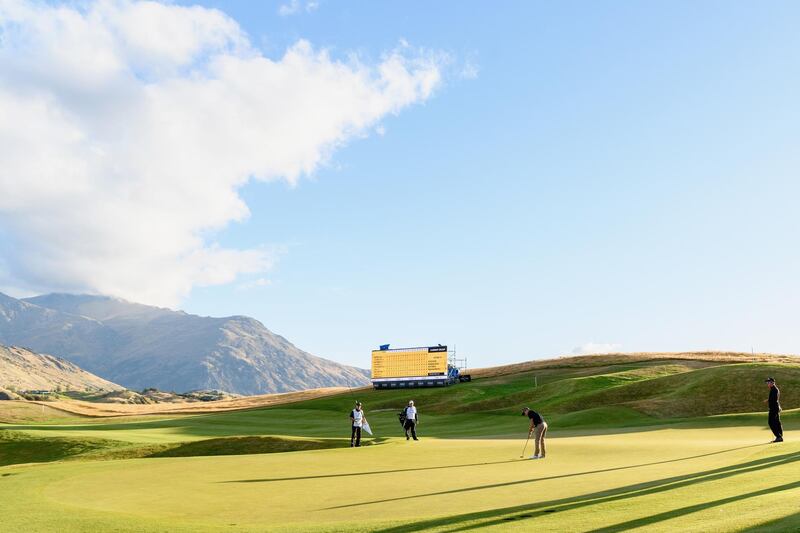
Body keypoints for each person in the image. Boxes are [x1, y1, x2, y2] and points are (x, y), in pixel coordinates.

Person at [765, 378, 783, 443]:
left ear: (772, 383)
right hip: (775, 408)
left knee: (771, 422)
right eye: (767, 383)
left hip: (774, 409)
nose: (767, 384)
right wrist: (768, 400)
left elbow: (774, 400)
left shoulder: (774, 390)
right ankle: (780, 436)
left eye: (768, 382)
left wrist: (769, 400)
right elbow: (775, 399)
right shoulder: (774, 389)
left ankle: (778, 436)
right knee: (777, 422)